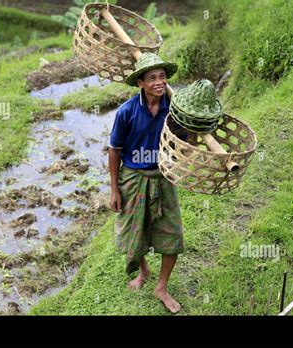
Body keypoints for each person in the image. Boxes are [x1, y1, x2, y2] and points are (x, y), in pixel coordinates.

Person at [108, 53, 184, 313]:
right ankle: (143, 271)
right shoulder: (127, 112)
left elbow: (187, 140)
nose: (159, 82)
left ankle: (161, 286)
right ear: (141, 82)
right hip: (133, 177)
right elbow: (114, 150)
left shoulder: (174, 109)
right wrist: (114, 189)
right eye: (152, 78)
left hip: (164, 177)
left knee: (172, 231)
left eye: (162, 76)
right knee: (135, 230)